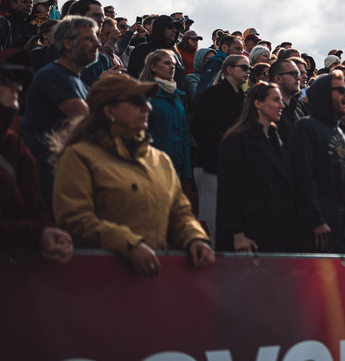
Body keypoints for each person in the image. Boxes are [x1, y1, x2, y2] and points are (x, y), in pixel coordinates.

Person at [52, 74, 213, 276]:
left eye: (147, 101)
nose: (148, 108)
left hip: (155, 281)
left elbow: (180, 213)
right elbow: (74, 219)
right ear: (109, 110)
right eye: (138, 101)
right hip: (100, 281)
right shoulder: (79, 156)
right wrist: (129, 245)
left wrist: (194, 238)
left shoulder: (160, 159)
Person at [0, 50, 74, 263]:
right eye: (6, 80)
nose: (17, 87)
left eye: (19, 82)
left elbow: (35, 202)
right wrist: (38, 235)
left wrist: (50, 231)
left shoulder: (13, 144)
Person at [20, 17, 98, 209]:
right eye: (89, 39)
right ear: (68, 43)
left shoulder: (77, 81)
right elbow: (86, 122)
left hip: (70, 173)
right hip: (53, 176)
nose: (97, 44)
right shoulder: (53, 74)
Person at [289, 70, 345, 253]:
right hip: (320, 228)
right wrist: (316, 220)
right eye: (341, 90)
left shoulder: (340, 132)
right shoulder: (306, 127)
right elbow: (302, 177)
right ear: (324, 94)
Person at [216, 82, 300, 253]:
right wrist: (236, 232)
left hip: (277, 229)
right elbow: (228, 191)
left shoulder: (277, 140)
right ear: (258, 103)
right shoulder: (237, 139)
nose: (281, 105)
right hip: (249, 230)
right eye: (275, 100)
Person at [189, 53, 248, 238]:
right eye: (244, 68)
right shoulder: (213, 94)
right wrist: (217, 152)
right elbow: (198, 126)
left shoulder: (243, 98)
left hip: (234, 167)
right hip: (211, 165)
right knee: (210, 218)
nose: (248, 72)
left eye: (250, 69)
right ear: (229, 69)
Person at [139, 49, 192, 184]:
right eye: (167, 63)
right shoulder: (145, 95)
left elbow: (184, 134)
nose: (172, 67)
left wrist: (187, 171)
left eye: (173, 64)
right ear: (153, 67)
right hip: (152, 166)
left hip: (176, 168)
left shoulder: (177, 97)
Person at [269, 58, 309, 143]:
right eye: (294, 74)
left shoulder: (299, 107)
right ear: (278, 78)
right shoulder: (268, 111)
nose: (299, 78)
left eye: (298, 74)